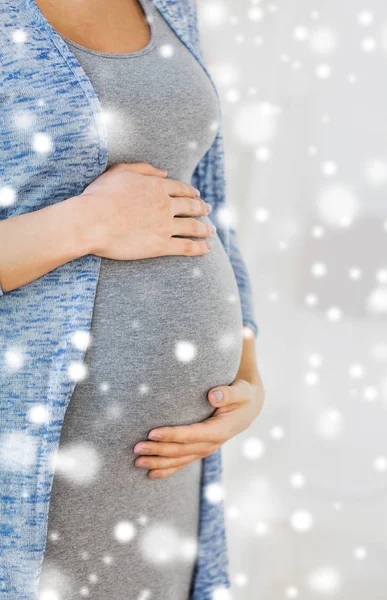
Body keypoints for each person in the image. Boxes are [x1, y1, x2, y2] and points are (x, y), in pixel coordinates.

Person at [0, 0, 264, 598]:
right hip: (33, 456)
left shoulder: (172, 5)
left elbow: (209, 200)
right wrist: (83, 225)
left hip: (169, 470)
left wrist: (245, 374)